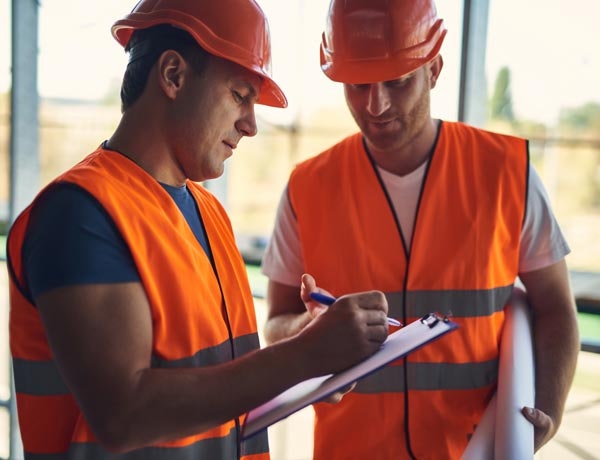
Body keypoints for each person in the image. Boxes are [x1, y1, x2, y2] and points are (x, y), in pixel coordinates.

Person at [6, 1, 391, 458]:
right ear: (173, 75)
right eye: (240, 96)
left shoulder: (209, 214)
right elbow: (124, 415)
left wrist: (313, 363)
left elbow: (219, 389)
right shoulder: (80, 214)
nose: (250, 126)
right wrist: (303, 355)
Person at [261, 0, 580, 458]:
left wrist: (548, 409)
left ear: (435, 69)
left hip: (472, 450)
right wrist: (307, 331)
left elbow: (555, 309)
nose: (376, 104)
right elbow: (275, 323)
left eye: (397, 81)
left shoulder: (508, 174)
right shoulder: (307, 187)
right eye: (358, 85)